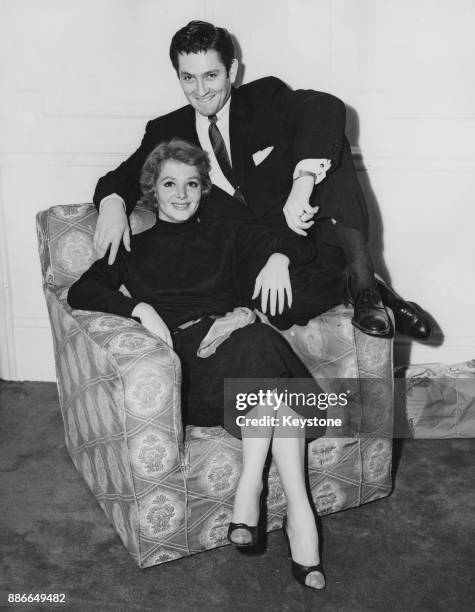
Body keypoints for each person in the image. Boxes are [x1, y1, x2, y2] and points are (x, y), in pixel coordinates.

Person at [69, 139, 328, 590]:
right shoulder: (133, 246)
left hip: (242, 358)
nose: (182, 194)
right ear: (151, 188)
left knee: (253, 342)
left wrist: (279, 259)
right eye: (170, 183)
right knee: (259, 345)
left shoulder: (226, 232)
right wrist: (141, 310)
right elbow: (80, 291)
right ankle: (288, 513)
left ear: (204, 188)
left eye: (192, 183)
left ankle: (270, 500)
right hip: (190, 373)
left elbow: (306, 247)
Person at [92, 20, 431, 340]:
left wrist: (303, 181)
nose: (200, 90)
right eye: (188, 78)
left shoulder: (265, 98)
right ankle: (357, 286)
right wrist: (111, 204)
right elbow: (119, 177)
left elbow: (326, 107)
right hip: (252, 255)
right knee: (281, 306)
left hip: (308, 235)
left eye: (211, 75)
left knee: (331, 149)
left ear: (232, 71)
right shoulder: (166, 130)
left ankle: (363, 280)